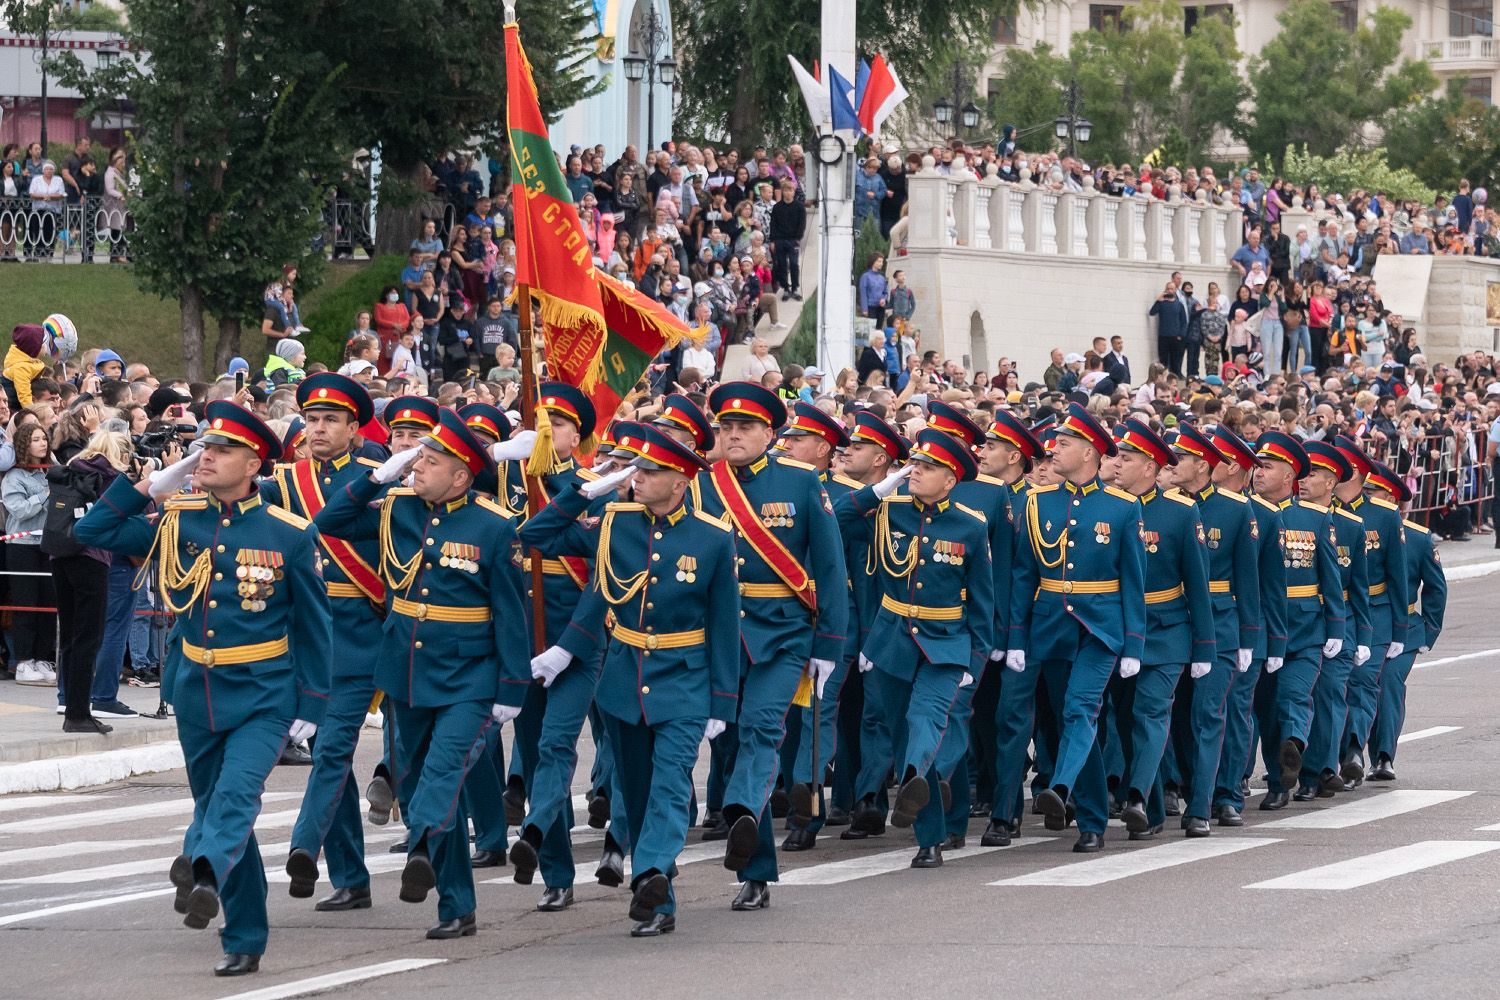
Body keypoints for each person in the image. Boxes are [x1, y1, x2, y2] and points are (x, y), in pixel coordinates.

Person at [76, 401, 332, 977]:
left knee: (235, 800)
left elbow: (316, 626)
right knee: (215, 807)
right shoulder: (180, 518)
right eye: (202, 448)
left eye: (219, 451)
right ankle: (243, 935)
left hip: (263, 691)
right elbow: (89, 532)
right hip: (195, 687)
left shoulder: (289, 533)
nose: (204, 457)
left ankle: (205, 870)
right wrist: (145, 486)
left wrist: (313, 705)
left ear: (253, 465)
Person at [315, 407, 529, 940]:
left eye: (429, 460)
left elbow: (511, 612)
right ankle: (456, 905)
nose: (417, 466)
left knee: (443, 773)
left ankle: (419, 849)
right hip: (407, 670)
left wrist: (512, 687)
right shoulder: (396, 508)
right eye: (417, 457)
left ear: (461, 474)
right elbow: (329, 523)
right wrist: (376, 477)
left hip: (470, 675)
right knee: (417, 786)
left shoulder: (495, 525)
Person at [521, 424, 741, 936]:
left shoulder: (711, 537)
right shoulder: (613, 523)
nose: (636, 478)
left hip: (684, 682)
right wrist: (583, 489)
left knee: (668, 788)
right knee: (637, 794)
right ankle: (656, 889)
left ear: (680, 482)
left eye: (648, 471)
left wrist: (721, 703)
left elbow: (725, 626)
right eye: (635, 470)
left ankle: (649, 878)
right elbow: (535, 536)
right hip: (623, 680)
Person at [696, 381, 847, 911]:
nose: (733, 436)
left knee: (762, 729)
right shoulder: (698, 484)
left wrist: (828, 643)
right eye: (726, 428)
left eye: (746, 428)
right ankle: (756, 863)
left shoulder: (803, 482)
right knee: (733, 744)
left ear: (770, 433)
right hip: (717, 636)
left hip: (782, 633)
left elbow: (829, 568)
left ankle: (741, 814)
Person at [259, 374, 388, 913]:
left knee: (332, 749)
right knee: (325, 757)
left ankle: (303, 845)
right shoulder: (286, 481)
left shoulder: (377, 478)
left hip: (358, 635)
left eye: (330, 420)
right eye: (311, 419)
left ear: (354, 428)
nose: (317, 429)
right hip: (303, 638)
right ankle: (353, 877)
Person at [848, 428, 994, 868]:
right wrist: (881, 487)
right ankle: (926, 831)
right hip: (893, 640)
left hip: (946, 645)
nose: (916, 472)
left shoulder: (970, 525)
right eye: (913, 464)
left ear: (950, 480)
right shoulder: (889, 511)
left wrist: (977, 658)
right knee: (903, 730)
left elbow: (983, 601)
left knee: (923, 718)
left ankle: (913, 783)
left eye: (927, 468)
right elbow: (838, 518)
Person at [1009, 403, 1146, 853]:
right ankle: (1091, 821)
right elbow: (1025, 576)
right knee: (1067, 722)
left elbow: (1133, 580)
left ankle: (1062, 790)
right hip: (1051, 625)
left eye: (1064, 444)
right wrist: (1017, 637)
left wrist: (1133, 643)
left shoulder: (1123, 508)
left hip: (1102, 627)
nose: (1054, 450)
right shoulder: (1037, 502)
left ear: (1089, 452)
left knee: (1081, 710)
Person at [1105, 419, 1213, 841]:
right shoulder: (1108, 506)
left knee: (1150, 713)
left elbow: (1198, 584)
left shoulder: (1182, 512)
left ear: (1150, 467)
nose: (1116, 464)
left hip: (1166, 631)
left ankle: (1134, 796)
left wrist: (1204, 647)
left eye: (1126, 459)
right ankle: (1147, 812)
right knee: (1126, 718)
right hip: (1117, 631)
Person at [1160, 424, 1258, 836]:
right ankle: (1173, 786)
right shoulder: (1162, 506)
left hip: (1219, 624)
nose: (1172, 463)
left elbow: (1249, 580)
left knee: (1209, 714)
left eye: (1180, 458)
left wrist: (1249, 638)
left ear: (1202, 464)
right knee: (1168, 712)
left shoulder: (1236, 510)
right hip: (1170, 622)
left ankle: (1207, 803)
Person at [1248, 431, 1345, 811]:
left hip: (1304, 627)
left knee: (1294, 694)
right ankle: (1278, 779)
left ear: (1290, 476)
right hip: (1261, 625)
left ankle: (1296, 747)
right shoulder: (1247, 513)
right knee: (1267, 708)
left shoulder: (1315, 518)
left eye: (1268, 467)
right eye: (1256, 466)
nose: (1258, 473)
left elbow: (1331, 578)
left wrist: (1336, 627)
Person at [1207, 426, 1286, 826]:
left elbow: (1269, 587)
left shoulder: (1264, 516)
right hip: (1198, 624)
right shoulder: (1195, 506)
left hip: (1241, 628)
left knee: (1236, 710)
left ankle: (1228, 790)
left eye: (1213, 457)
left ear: (1231, 466)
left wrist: (1269, 642)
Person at [1331, 437, 1408, 785]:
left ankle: (1352, 750)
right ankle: (1325, 756)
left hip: (1374, 611)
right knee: (1334, 685)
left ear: (1357, 473)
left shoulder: (1384, 515)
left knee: (1362, 682)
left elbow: (1398, 575)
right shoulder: (1321, 510)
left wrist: (1400, 630)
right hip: (1331, 609)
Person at [1365, 460, 1446, 779]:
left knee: (1388, 685)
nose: (1367, 497)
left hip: (1404, 627)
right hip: (1363, 622)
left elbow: (1436, 589)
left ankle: (1384, 756)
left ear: (1390, 498)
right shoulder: (1350, 524)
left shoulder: (1418, 537)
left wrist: (1428, 632)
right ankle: (1346, 754)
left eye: (1373, 493)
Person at [3, 422, 56, 687]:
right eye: (36, 439)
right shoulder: (14, 476)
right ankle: (23, 661)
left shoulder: (49, 472)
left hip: (48, 543)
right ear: (25, 444)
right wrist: (45, 496)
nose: (43, 443)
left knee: (49, 602)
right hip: (22, 545)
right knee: (26, 604)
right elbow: (19, 510)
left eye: (44, 438)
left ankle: (43, 658)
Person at [1149, 280, 1188, 377]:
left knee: (1176, 360)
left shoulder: (1179, 305)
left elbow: (1184, 321)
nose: (1170, 290)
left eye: (1172, 289)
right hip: (1163, 336)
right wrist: (1158, 300)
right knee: (1163, 360)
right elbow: (1152, 312)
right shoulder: (1161, 303)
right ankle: (1163, 378)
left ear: (1175, 290)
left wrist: (1180, 335)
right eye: (1168, 289)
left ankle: (1175, 378)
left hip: (1176, 337)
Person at [859, 255, 889, 327]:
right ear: (873, 262)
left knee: (878, 331)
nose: (881, 263)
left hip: (881, 308)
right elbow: (863, 293)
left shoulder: (882, 278)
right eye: (879, 261)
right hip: (870, 308)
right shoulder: (865, 276)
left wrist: (884, 299)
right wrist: (864, 308)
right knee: (871, 331)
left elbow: (885, 292)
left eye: (882, 262)